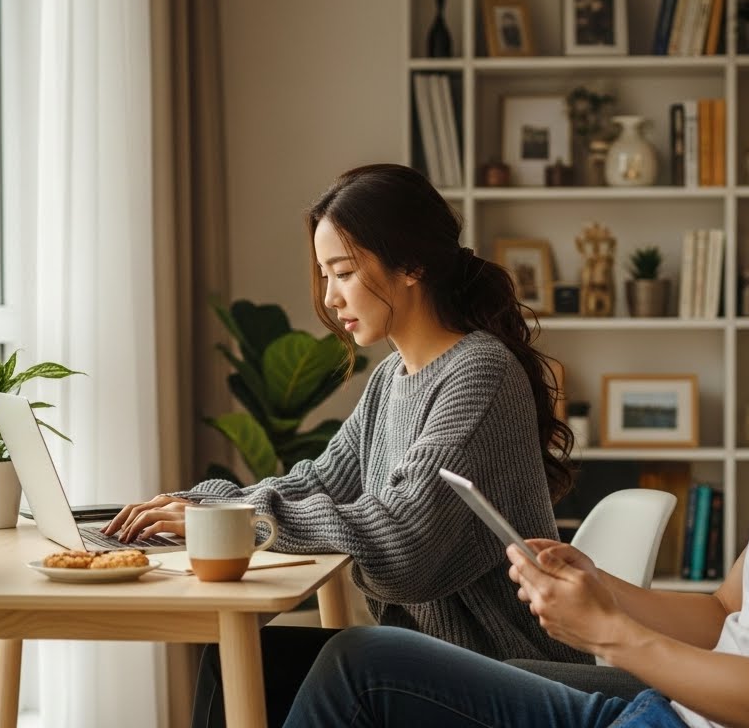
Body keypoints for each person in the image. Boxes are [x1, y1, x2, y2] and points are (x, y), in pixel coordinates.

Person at [281, 189, 749, 728]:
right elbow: (726, 615)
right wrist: (603, 589)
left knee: (358, 668)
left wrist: (610, 634)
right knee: (316, 661)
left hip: (672, 719)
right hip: (668, 711)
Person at [101, 163, 589, 726]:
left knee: (330, 660)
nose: (331, 298)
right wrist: (205, 507)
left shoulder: (480, 373)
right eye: (325, 274)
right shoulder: (392, 379)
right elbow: (316, 481)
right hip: (440, 666)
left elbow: (403, 544)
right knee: (244, 660)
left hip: (506, 671)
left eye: (345, 272)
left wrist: (237, 518)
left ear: (412, 265)